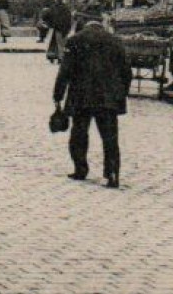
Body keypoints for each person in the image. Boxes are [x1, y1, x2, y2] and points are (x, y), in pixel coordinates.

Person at [53, 14, 133, 188]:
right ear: (102, 22)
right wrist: (122, 93)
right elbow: (127, 70)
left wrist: (57, 96)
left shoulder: (75, 40)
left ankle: (80, 168)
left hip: (81, 96)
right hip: (108, 98)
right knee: (110, 137)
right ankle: (112, 173)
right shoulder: (115, 40)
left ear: (83, 23)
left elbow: (65, 71)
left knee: (79, 133)